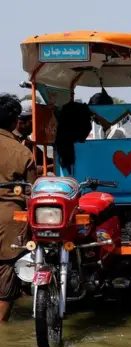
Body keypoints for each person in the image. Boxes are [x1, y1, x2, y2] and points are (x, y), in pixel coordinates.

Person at [0, 94, 37, 322]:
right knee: (4, 282)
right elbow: (32, 194)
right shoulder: (23, 152)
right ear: (16, 121)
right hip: (10, 224)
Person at [14, 100, 54, 175]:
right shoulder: (14, 141)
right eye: (35, 121)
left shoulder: (26, 140)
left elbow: (44, 159)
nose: (37, 125)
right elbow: (28, 170)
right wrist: (50, 167)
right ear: (21, 121)